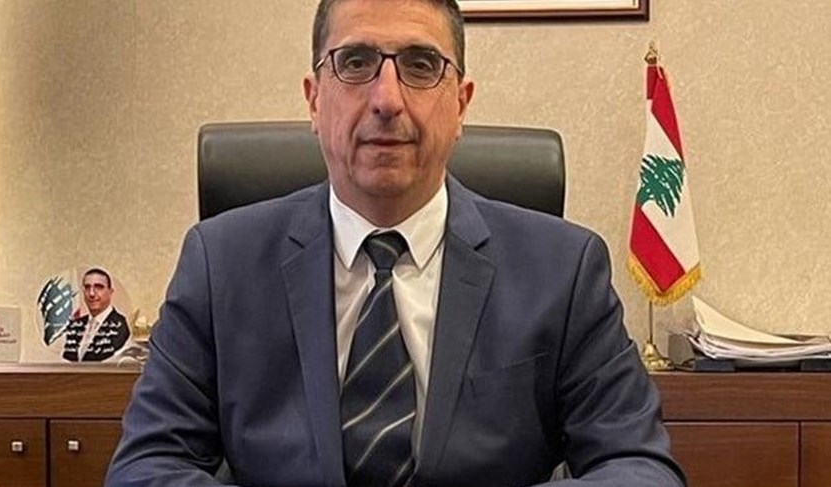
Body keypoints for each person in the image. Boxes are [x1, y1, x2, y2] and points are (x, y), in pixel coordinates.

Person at [106, 0, 686, 485]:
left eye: (421, 65)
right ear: (314, 99)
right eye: (355, 62)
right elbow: (147, 466)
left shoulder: (563, 270)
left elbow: (639, 467)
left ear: (461, 104)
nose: (387, 99)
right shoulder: (220, 263)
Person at [62, 268, 130, 362]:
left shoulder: (119, 325)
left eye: (98, 287)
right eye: (87, 287)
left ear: (110, 292)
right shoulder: (75, 325)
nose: (91, 293)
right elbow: (68, 361)